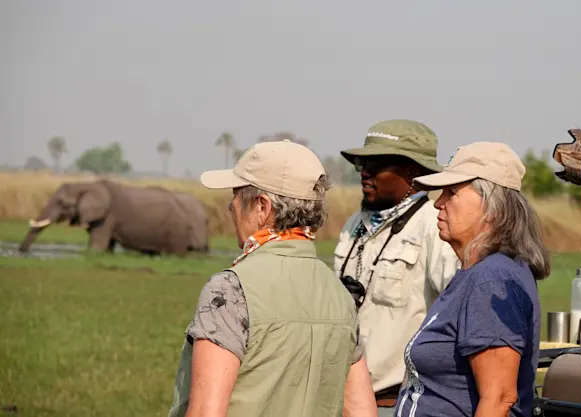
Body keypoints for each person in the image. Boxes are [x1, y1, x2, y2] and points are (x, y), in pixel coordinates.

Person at [168, 140, 377, 417]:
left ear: (262, 207)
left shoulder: (229, 290)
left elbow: (207, 412)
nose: (231, 207)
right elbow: (363, 412)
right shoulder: (340, 295)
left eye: (236, 195)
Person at [393, 141, 551, 417]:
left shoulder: (492, 280)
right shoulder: (477, 274)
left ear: (492, 206)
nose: (438, 203)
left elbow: (499, 398)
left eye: (451, 192)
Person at [334, 119, 461, 416]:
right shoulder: (355, 223)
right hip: (340, 398)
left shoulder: (435, 226)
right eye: (362, 164)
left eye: (377, 165)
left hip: (394, 403)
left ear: (413, 171)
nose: (365, 172)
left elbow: (457, 319)